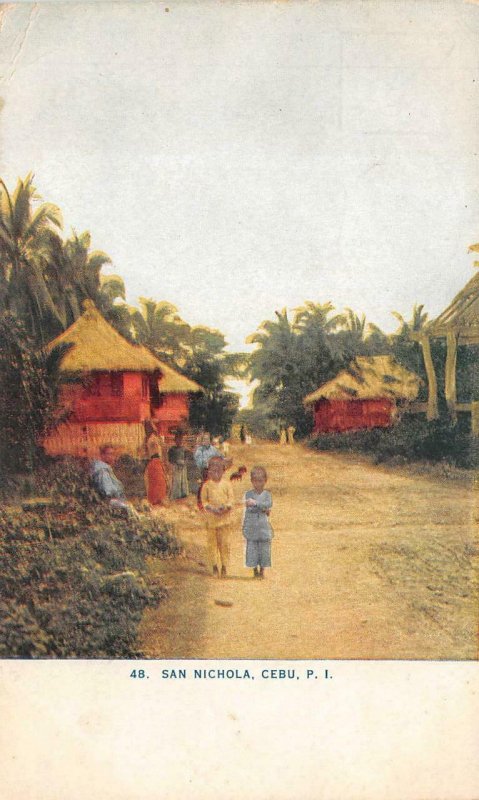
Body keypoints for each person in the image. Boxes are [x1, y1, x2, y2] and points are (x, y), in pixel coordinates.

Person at [200, 456, 235, 578]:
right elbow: (204, 502)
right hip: (211, 520)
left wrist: (225, 507)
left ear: (223, 471)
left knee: (224, 544)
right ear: (208, 472)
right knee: (212, 544)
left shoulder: (227, 484)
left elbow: (231, 500)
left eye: (218, 471)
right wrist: (211, 508)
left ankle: (224, 566)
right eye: (212, 471)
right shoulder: (206, 486)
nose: (215, 473)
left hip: (224, 520)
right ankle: (214, 566)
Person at [242, 465, 273, 579]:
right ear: (251, 481)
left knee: (264, 549)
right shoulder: (248, 494)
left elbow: (268, 505)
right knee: (252, 548)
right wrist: (262, 508)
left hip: (263, 526)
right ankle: (255, 570)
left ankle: (262, 570)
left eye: (261, 481)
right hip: (251, 525)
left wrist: (256, 504)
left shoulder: (267, 494)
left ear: (265, 481)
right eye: (255, 481)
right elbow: (250, 508)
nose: (258, 484)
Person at [90, 444, 132, 516]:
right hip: (108, 506)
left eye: (114, 454)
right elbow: (108, 493)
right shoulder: (102, 471)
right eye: (110, 454)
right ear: (102, 455)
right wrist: (124, 504)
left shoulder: (106, 469)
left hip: (115, 502)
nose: (113, 457)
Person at [144, 420, 168, 507]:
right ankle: (156, 499)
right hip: (154, 461)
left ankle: (158, 499)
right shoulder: (152, 439)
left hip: (156, 461)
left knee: (159, 481)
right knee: (156, 481)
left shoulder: (152, 439)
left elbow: (159, 449)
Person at [168, 431, 190, 500]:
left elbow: (187, 457)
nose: (179, 441)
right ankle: (176, 495)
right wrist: (175, 462)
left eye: (180, 440)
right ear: (175, 440)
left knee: (183, 480)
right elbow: (170, 459)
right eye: (177, 440)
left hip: (183, 467)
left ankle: (184, 494)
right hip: (176, 467)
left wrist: (184, 462)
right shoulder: (172, 449)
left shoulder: (184, 449)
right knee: (176, 480)